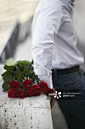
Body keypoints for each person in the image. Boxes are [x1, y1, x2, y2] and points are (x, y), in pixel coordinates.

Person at [31, 0, 85, 128]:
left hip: (68, 77)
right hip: (68, 80)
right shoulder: (53, 4)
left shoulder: (60, 4)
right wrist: (46, 87)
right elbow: (41, 47)